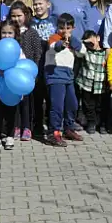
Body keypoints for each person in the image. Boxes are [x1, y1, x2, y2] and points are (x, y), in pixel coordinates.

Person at [44, 13, 84, 147]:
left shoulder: (73, 41)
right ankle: (54, 132)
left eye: (68, 28)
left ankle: (68, 128)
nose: (64, 31)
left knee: (72, 104)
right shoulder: (53, 38)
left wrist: (73, 42)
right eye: (61, 27)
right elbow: (53, 47)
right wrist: (62, 43)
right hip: (55, 76)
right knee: (57, 106)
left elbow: (82, 52)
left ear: (73, 28)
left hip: (68, 77)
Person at [0, 20, 27, 151]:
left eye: (10, 33)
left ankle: (10, 135)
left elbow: (21, 65)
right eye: (4, 32)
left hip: (11, 88)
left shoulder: (18, 50)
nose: (6, 36)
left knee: (11, 112)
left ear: (15, 34)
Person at [8, 2, 41, 141]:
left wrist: (34, 70)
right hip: (12, 73)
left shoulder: (32, 32)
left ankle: (27, 127)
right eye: (13, 16)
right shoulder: (10, 32)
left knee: (27, 102)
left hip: (27, 73)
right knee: (14, 100)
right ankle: (15, 126)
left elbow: (37, 52)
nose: (16, 19)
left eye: (19, 16)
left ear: (26, 15)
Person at [30, 0, 58, 137]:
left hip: (52, 61)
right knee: (37, 95)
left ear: (48, 5)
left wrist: (51, 41)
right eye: (35, 4)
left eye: (40, 4)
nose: (37, 7)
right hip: (36, 62)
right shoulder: (31, 22)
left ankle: (53, 125)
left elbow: (60, 35)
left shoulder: (54, 20)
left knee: (51, 95)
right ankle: (37, 125)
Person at [75, 30, 106, 134]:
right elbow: (76, 46)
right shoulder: (85, 52)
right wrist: (85, 41)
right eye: (89, 42)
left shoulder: (105, 53)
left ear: (98, 38)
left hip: (100, 85)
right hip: (86, 84)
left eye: (93, 39)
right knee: (88, 105)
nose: (91, 44)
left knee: (100, 105)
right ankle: (91, 123)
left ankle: (101, 124)